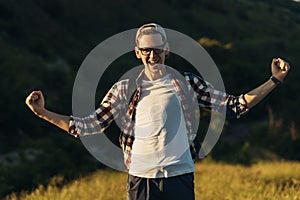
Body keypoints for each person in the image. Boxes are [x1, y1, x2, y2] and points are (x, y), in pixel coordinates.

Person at [25, 23, 290, 200]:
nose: (153, 56)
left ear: (167, 49)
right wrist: (43, 113)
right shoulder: (124, 88)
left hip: (179, 178)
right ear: (138, 53)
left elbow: (235, 106)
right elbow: (89, 126)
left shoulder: (188, 83)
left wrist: (274, 80)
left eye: (157, 49)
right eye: (147, 50)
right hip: (141, 180)